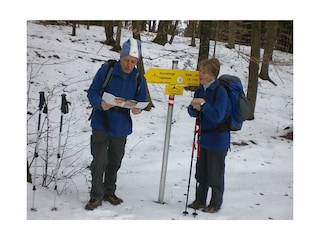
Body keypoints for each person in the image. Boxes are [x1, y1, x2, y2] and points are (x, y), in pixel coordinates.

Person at [85, 38, 147, 210]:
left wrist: (138, 109)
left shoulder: (138, 77)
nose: (129, 64)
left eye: (133, 61)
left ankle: (109, 191)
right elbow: (92, 92)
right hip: (101, 121)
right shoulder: (107, 70)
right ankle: (95, 196)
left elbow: (142, 100)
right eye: (127, 60)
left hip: (121, 125)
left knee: (115, 161)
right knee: (99, 161)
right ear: (121, 57)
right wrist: (100, 103)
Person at [187, 57, 231, 213]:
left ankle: (215, 203)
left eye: (204, 72)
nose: (200, 74)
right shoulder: (201, 89)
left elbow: (218, 116)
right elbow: (192, 111)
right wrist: (194, 107)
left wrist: (203, 105)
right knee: (201, 172)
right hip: (204, 138)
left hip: (218, 139)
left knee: (215, 173)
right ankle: (200, 200)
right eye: (200, 71)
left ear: (212, 75)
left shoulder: (221, 92)